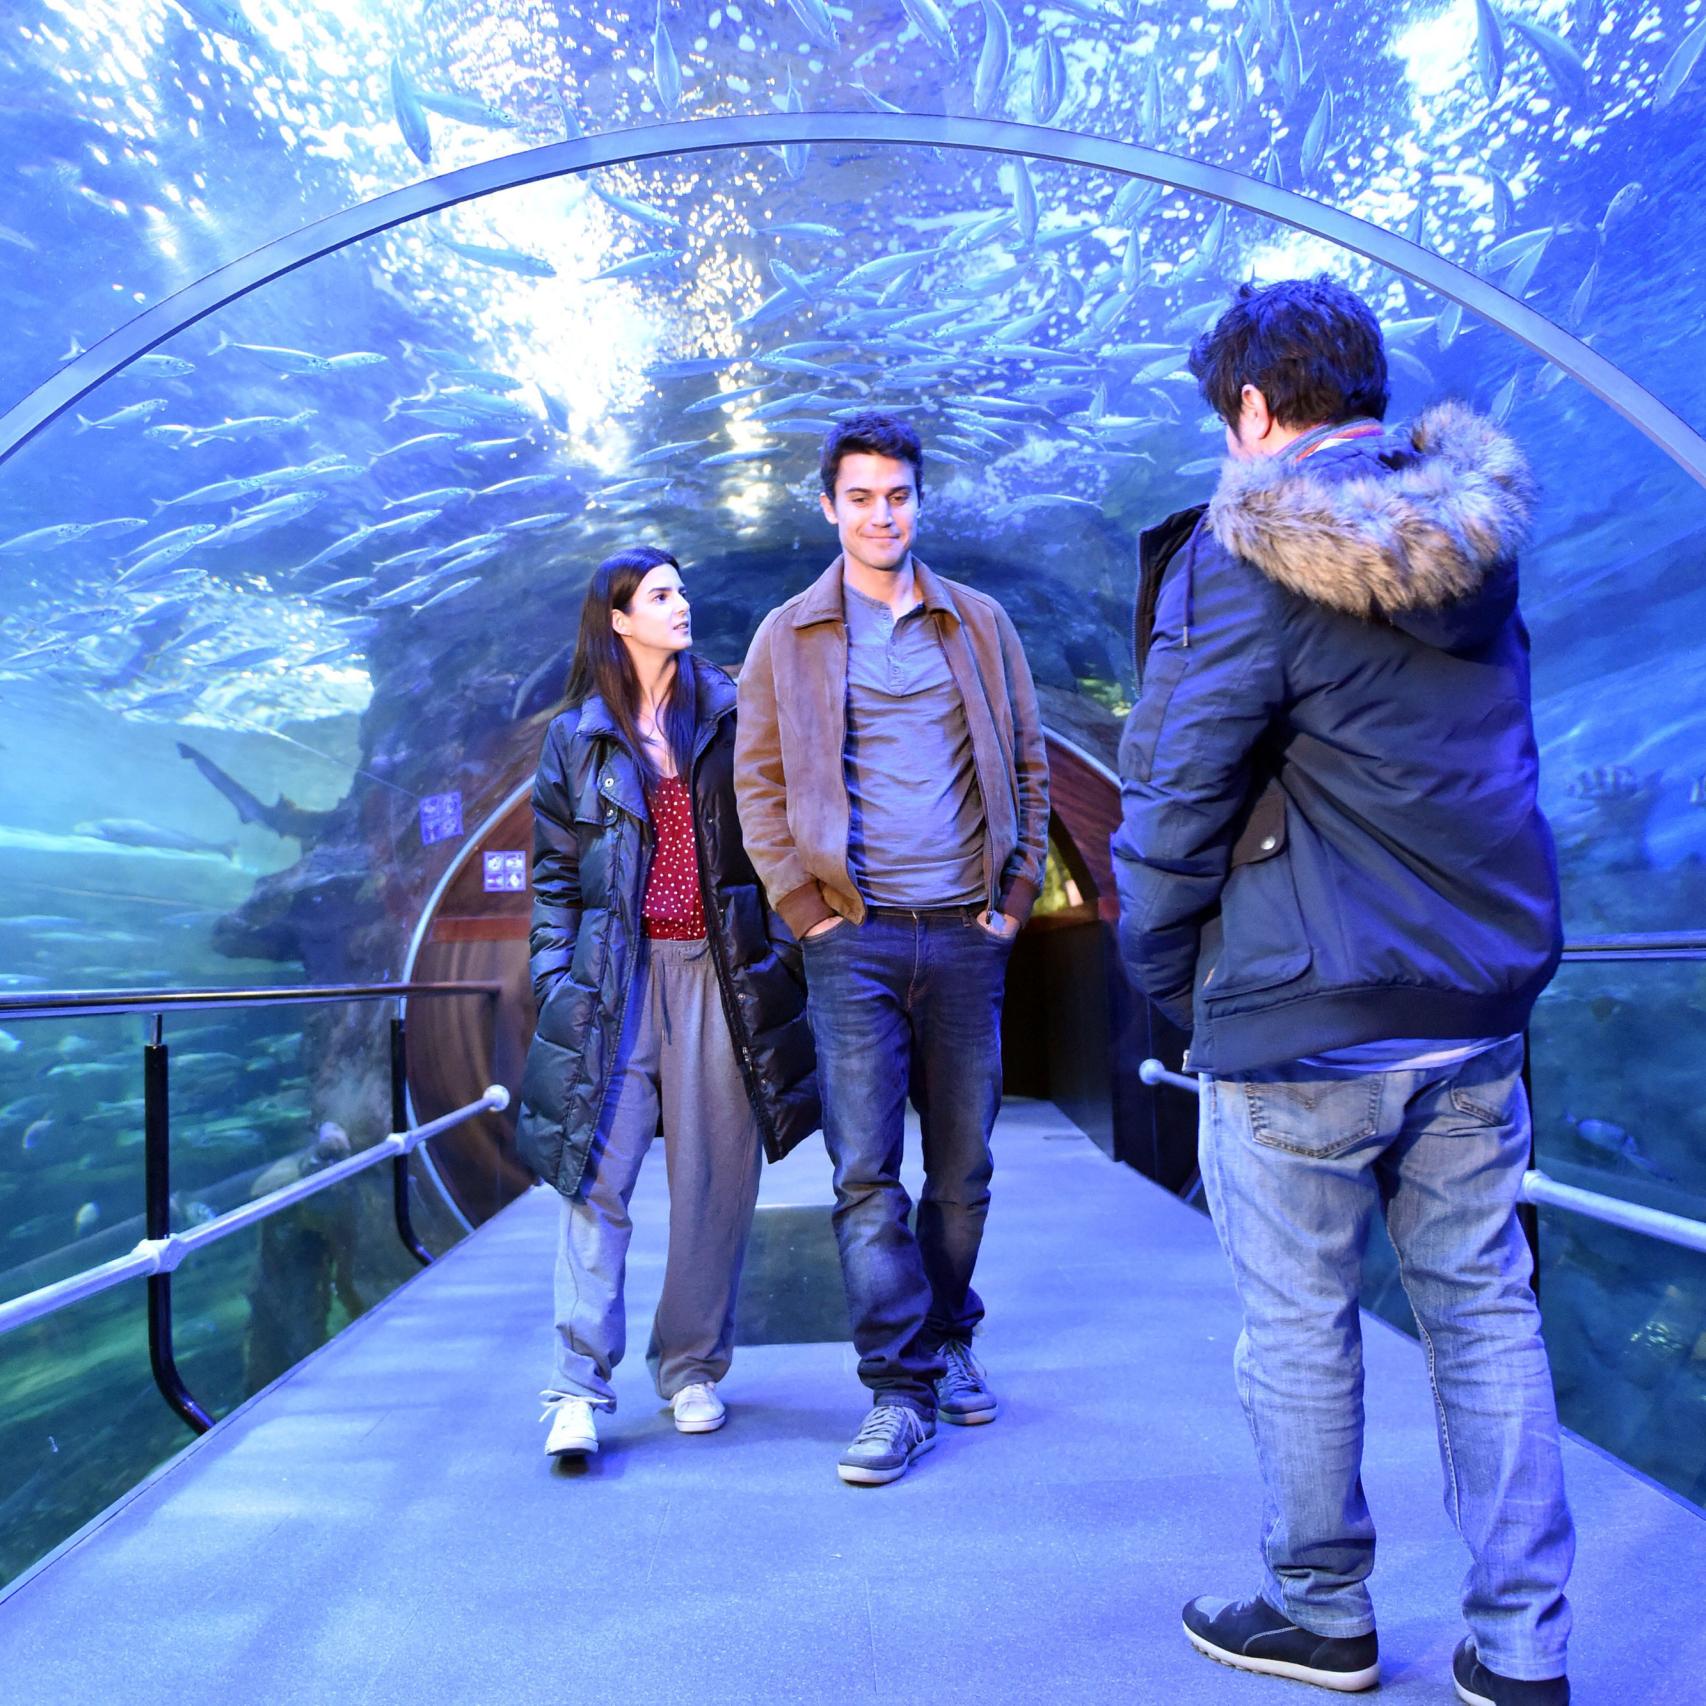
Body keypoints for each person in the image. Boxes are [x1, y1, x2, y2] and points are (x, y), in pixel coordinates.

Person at [1112, 276, 1572, 1703]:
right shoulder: (1473, 539)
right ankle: (1521, 1651)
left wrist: (1158, 974)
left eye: (1221, 419)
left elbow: (1176, 787)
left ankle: (1319, 1610)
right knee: (1485, 1310)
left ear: (1253, 409)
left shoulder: (1242, 547)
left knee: (1298, 1318)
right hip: (1472, 1006)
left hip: (1298, 1009)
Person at [734, 411, 1049, 1486]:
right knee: (865, 1171)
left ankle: (951, 1331)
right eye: (860, 496)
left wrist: (1014, 895)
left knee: (962, 1170)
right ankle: (895, 1388)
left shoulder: (979, 621)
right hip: (852, 938)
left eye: (897, 494)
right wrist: (803, 907)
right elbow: (757, 784)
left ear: (918, 501)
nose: (881, 513)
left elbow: (1028, 760)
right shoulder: (788, 633)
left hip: (966, 928)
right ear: (828, 506)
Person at [515, 545, 818, 1460]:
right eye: (660, 594)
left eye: (682, 589)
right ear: (618, 618)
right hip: (617, 978)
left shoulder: (731, 712)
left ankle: (691, 1368)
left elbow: (777, 834)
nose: (681, 604)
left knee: (716, 1184)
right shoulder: (576, 738)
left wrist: (784, 954)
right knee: (592, 1177)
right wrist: (555, 978)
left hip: (719, 974)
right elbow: (555, 880)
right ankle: (575, 1385)